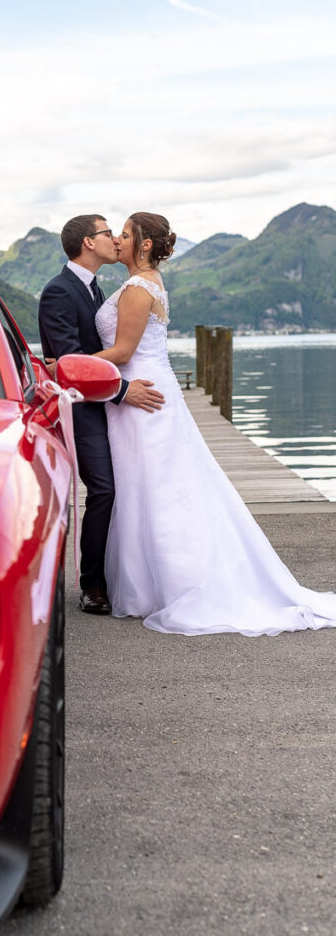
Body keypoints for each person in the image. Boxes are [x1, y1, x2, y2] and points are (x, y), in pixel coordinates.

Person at [92, 211, 336, 635]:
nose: (118, 239)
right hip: (149, 392)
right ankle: (156, 579)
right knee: (160, 484)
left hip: (141, 394)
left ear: (144, 244)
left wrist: (66, 365)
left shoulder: (135, 288)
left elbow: (124, 351)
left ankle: (165, 584)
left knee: (151, 485)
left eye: (126, 234)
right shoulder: (149, 283)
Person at [38, 214, 165, 614]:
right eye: (107, 233)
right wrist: (124, 389)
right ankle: (92, 584)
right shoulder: (59, 291)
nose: (114, 239)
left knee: (123, 487)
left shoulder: (95, 289)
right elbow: (72, 364)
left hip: (109, 405)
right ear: (88, 243)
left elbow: (77, 357)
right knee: (105, 489)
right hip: (84, 409)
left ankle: (121, 574)